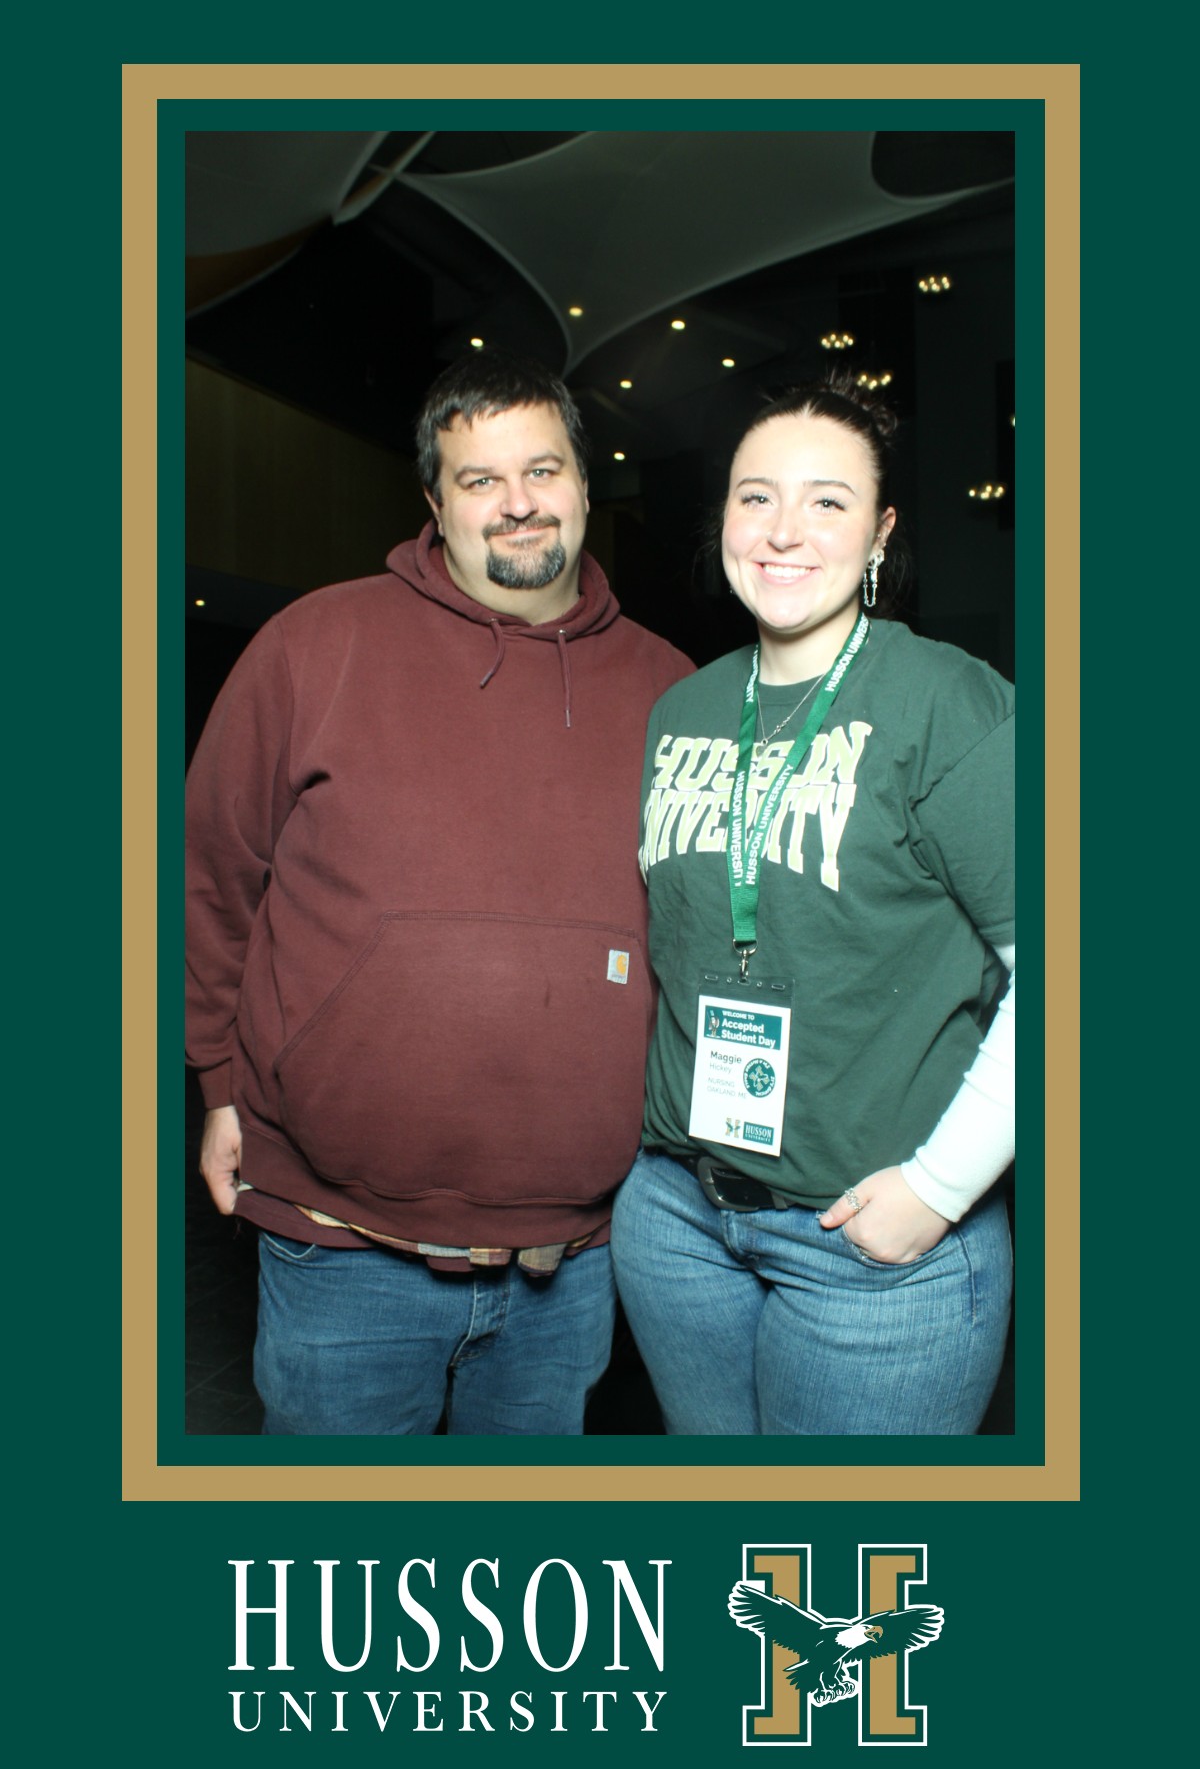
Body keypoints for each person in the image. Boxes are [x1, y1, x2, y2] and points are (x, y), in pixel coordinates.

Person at [186, 350, 692, 1436]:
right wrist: (218, 1084)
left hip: (576, 1258)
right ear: (434, 502)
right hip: (341, 1248)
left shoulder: (674, 691)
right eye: (480, 480)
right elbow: (213, 877)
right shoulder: (312, 646)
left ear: (585, 483)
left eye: (542, 470)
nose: (518, 504)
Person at [611, 370, 1014, 1436]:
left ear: (880, 534)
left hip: (872, 1251)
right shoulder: (681, 708)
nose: (784, 530)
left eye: (827, 501)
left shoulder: (949, 703)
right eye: (757, 497)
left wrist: (941, 1186)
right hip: (679, 1222)